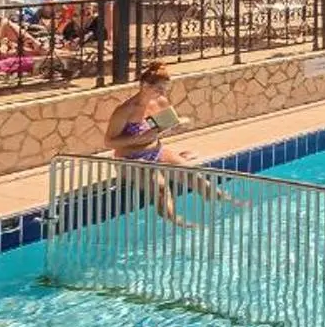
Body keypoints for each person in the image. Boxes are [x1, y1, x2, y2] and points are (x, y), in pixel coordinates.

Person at [101, 62, 238, 222]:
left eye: (165, 88)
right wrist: (140, 138)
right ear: (145, 85)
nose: (162, 92)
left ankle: (231, 203)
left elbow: (165, 124)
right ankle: (176, 221)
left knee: (195, 176)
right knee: (161, 188)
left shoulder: (160, 102)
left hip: (156, 152)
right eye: (159, 88)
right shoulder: (125, 110)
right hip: (130, 160)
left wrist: (176, 123)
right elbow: (109, 142)